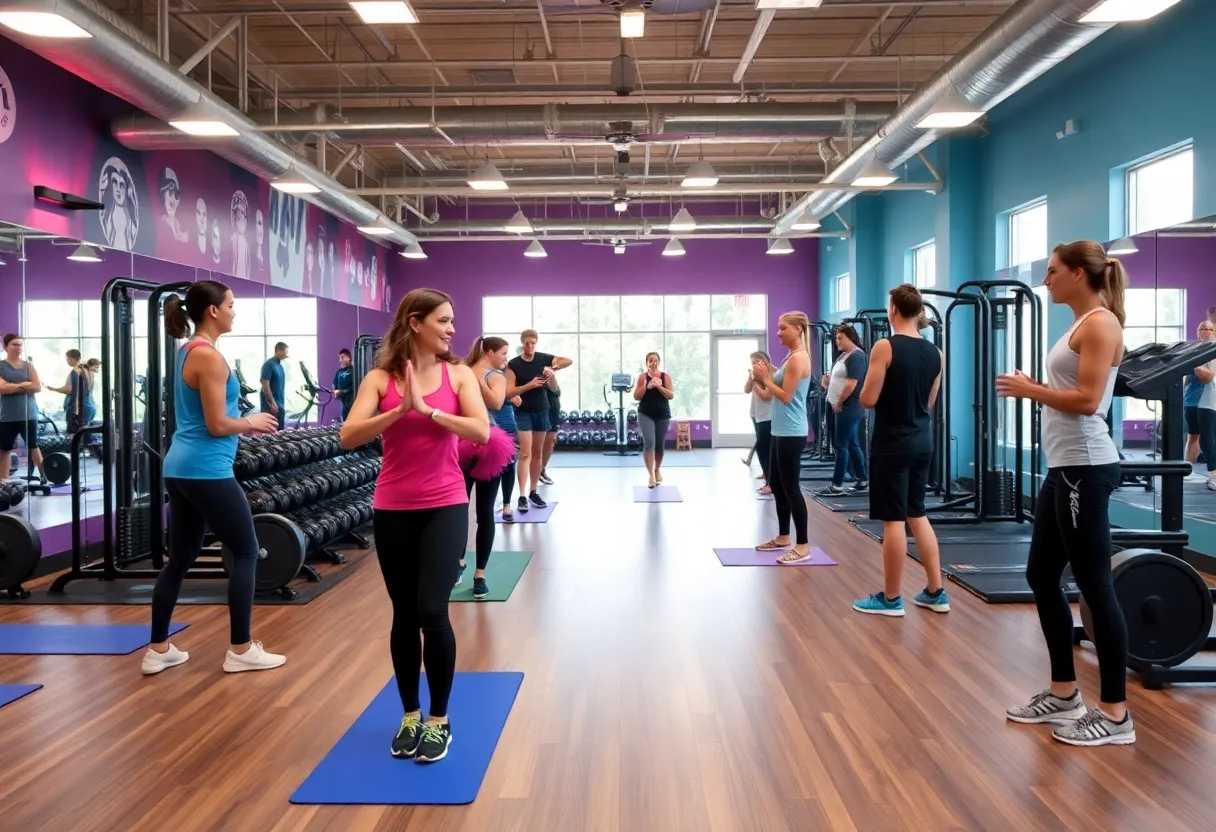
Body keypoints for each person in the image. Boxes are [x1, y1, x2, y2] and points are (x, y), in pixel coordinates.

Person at [340, 288, 489, 764]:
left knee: (432, 609)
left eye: (451, 320)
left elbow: (481, 432)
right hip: (392, 506)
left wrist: (430, 412)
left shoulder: (459, 374)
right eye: (443, 321)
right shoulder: (380, 378)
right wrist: (398, 411)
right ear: (414, 323)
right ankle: (409, 714)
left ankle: (439, 721)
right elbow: (348, 435)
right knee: (403, 613)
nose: (451, 329)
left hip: (444, 503)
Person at [996, 241, 1134, 747]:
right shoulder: (1080, 324)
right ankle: (1063, 694)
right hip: (1064, 466)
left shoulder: (1100, 324)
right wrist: (1038, 385)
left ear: (1079, 273)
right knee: (1040, 575)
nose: (1047, 280)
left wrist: (1032, 391)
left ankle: (1116, 716)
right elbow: (1072, 389)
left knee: (1096, 586)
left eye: (1053, 272)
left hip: (1087, 467)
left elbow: (1090, 400)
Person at [143, 280, 285, 677]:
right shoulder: (209, 357)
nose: (235, 311)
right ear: (212, 311)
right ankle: (240, 649)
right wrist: (251, 421)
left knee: (182, 559)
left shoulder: (187, 350)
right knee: (245, 551)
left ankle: (158, 648)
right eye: (231, 305)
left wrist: (243, 425)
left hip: (180, 467)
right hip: (206, 469)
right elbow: (217, 423)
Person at [852, 285, 948, 617]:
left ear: (892, 308)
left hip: (892, 444)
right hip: (922, 441)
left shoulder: (884, 346)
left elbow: (867, 399)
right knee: (916, 513)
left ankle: (891, 598)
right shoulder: (936, 352)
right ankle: (936, 591)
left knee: (893, 520)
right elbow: (930, 401)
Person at [752, 313, 812, 563]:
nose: (778, 333)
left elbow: (786, 396)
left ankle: (803, 546)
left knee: (791, 488)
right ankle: (783, 537)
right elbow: (774, 393)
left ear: (798, 330)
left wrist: (766, 379)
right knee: (776, 484)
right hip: (779, 430)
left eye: (782, 328)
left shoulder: (798, 359)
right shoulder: (790, 357)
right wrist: (763, 380)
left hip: (792, 432)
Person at [460, 336, 516, 597]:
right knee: (457, 509)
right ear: (490, 351)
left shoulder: (498, 376)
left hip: (489, 445)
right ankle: (458, 563)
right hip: (460, 443)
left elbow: (495, 403)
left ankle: (479, 574)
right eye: (503, 352)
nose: (506, 357)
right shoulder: (461, 370)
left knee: (484, 511)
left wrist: (477, 379)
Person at [505, 330, 572, 513]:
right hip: (523, 412)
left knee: (537, 453)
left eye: (533, 343)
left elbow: (568, 361)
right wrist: (529, 385)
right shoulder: (514, 364)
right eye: (527, 343)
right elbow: (508, 391)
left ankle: (534, 491)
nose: (530, 346)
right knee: (525, 453)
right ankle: (521, 496)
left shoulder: (543, 359)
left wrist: (553, 369)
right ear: (522, 343)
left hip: (542, 410)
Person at [819, 324, 869, 497]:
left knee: (840, 445)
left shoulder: (857, 357)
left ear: (851, 337)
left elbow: (851, 384)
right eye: (836, 338)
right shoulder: (843, 356)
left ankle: (837, 485)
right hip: (838, 404)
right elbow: (837, 380)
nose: (837, 341)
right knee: (852, 443)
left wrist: (839, 401)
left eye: (840, 338)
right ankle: (862, 479)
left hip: (850, 406)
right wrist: (826, 384)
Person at [0, 334, 47, 483]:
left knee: (34, 447)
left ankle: (45, 477)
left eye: (20, 344)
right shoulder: (1, 366)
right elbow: (2, 389)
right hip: (7, 415)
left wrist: (12, 385)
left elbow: (37, 387)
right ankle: (3, 481)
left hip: (29, 414)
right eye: (15, 344)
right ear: (5, 347)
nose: (18, 347)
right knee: (4, 449)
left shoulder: (29, 366)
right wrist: (25, 384)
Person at [633, 352, 674, 488]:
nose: (653, 362)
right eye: (650, 360)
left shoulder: (665, 377)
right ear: (647, 363)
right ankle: (650, 475)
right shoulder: (642, 377)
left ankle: (657, 469)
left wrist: (658, 386)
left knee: (660, 447)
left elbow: (671, 395)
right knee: (649, 442)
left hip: (662, 415)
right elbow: (636, 397)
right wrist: (646, 386)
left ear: (659, 362)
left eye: (655, 360)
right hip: (646, 414)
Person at [1186, 322, 1216, 485]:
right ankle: (1187, 469)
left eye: (1209, 329)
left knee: (1207, 438)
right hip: (1191, 399)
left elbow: (1208, 377)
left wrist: (1193, 363)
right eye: (1202, 329)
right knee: (1193, 435)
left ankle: (1214, 474)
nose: (1205, 332)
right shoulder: (1194, 350)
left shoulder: (1213, 350)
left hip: (1208, 400)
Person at [745, 351, 775, 495]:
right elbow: (746, 390)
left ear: (764, 361)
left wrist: (756, 382)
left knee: (765, 449)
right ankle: (767, 476)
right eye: (752, 363)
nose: (754, 365)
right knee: (762, 449)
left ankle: (771, 483)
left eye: (756, 362)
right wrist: (751, 379)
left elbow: (766, 397)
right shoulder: (755, 375)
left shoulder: (772, 373)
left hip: (768, 416)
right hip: (756, 415)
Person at [46, 349, 82, 427]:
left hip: (74, 406)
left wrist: (54, 389)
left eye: (68, 359)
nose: (67, 361)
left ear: (72, 358)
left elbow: (67, 389)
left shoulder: (75, 372)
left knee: (73, 431)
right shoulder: (84, 370)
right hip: (85, 404)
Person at [260, 342, 289, 431]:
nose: (287, 354)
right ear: (279, 351)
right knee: (270, 431)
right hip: (271, 405)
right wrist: (272, 403)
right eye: (286, 352)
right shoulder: (269, 364)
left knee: (280, 431)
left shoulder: (279, 366)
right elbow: (265, 384)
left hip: (279, 404)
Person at [538, 377, 561, 486]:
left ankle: (541, 470)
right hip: (537, 410)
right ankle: (536, 471)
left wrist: (550, 374)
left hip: (553, 410)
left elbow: (556, 391)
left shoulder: (551, 377)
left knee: (551, 441)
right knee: (537, 443)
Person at [333, 349, 355, 422]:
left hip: (354, 401)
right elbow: (334, 384)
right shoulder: (339, 372)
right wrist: (335, 392)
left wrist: (341, 392)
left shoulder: (354, 370)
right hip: (344, 404)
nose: (340, 360)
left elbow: (355, 386)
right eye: (339, 358)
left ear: (348, 357)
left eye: (342, 357)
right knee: (344, 422)